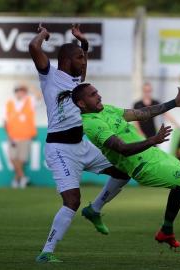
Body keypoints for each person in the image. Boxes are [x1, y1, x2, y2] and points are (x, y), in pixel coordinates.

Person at [57, 83, 180, 254]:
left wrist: (174, 103)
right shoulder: (92, 124)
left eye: (97, 92)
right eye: (93, 94)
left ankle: (166, 231)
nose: (99, 96)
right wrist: (153, 140)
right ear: (81, 103)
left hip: (153, 155)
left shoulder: (106, 109)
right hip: (142, 166)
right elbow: (122, 149)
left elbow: (142, 113)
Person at [29, 23, 130, 263]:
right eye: (79, 58)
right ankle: (46, 252)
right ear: (65, 59)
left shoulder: (77, 84)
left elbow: (81, 63)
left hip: (82, 146)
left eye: (84, 58)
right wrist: (43, 34)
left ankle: (94, 209)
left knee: (124, 170)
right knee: (71, 201)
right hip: (60, 149)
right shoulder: (50, 75)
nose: (84, 62)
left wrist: (83, 42)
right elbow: (34, 46)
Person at [4, 84, 39, 188]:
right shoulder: (10, 103)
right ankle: (22, 178)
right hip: (13, 136)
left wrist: (30, 87)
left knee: (22, 159)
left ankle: (17, 179)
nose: (20, 93)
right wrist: (8, 134)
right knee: (12, 158)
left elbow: (39, 95)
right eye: (18, 91)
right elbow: (5, 121)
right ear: (16, 93)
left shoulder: (30, 101)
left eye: (23, 91)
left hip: (26, 136)